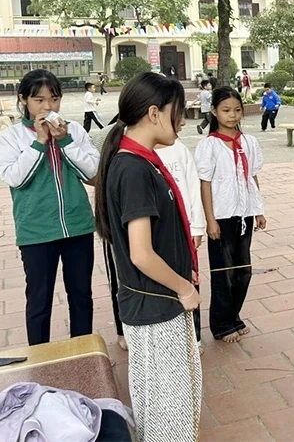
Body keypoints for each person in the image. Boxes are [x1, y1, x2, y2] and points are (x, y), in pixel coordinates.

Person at [94, 72, 201, 439]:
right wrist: (184, 288)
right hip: (156, 304)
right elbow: (141, 254)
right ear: (154, 113)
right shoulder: (134, 168)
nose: (184, 120)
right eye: (179, 111)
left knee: (165, 398)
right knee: (167, 406)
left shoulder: (137, 160)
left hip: (155, 302)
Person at [0, 69, 100, 346]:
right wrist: (40, 142)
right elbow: (16, 178)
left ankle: (83, 353)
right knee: (39, 299)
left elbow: (94, 174)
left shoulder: (74, 130)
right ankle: (40, 358)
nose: (48, 107)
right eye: (39, 100)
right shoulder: (12, 137)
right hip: (36, 231)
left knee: (81, 295)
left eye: (54, 99)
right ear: (24, 100)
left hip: (77, 226)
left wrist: (64, 141)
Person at [195, 87, 266, 343]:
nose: (232, 115)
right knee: (223, 271)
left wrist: (258, 210)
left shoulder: (249, 142)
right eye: (226, 110)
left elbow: (252, 177)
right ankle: (221, 324)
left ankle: (234, 315)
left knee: (243, 270)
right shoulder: (209, 146)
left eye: (237, 110)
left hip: (244, 215)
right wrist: (210, 219)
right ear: (214, 111)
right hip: (222, 217)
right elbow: (205, 183)